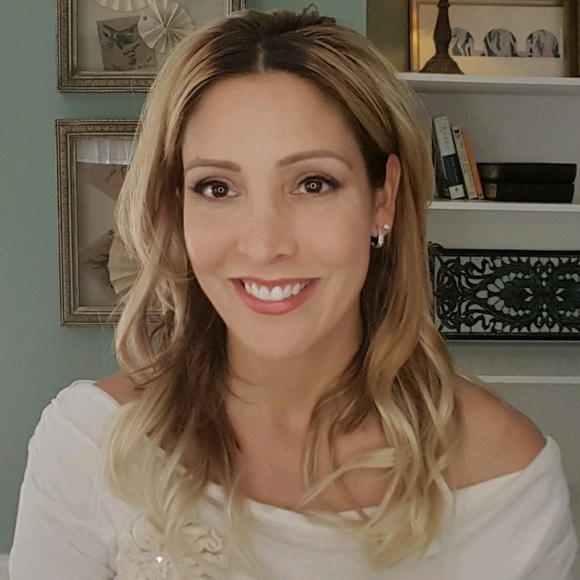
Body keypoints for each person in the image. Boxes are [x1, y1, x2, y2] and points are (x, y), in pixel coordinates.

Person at [9, 8, 577, 579]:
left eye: (312, 183)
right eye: (217, 187)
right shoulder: (89, 443)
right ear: (177, 208)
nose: (264, 245)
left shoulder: (504, 474)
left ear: (382, 198)